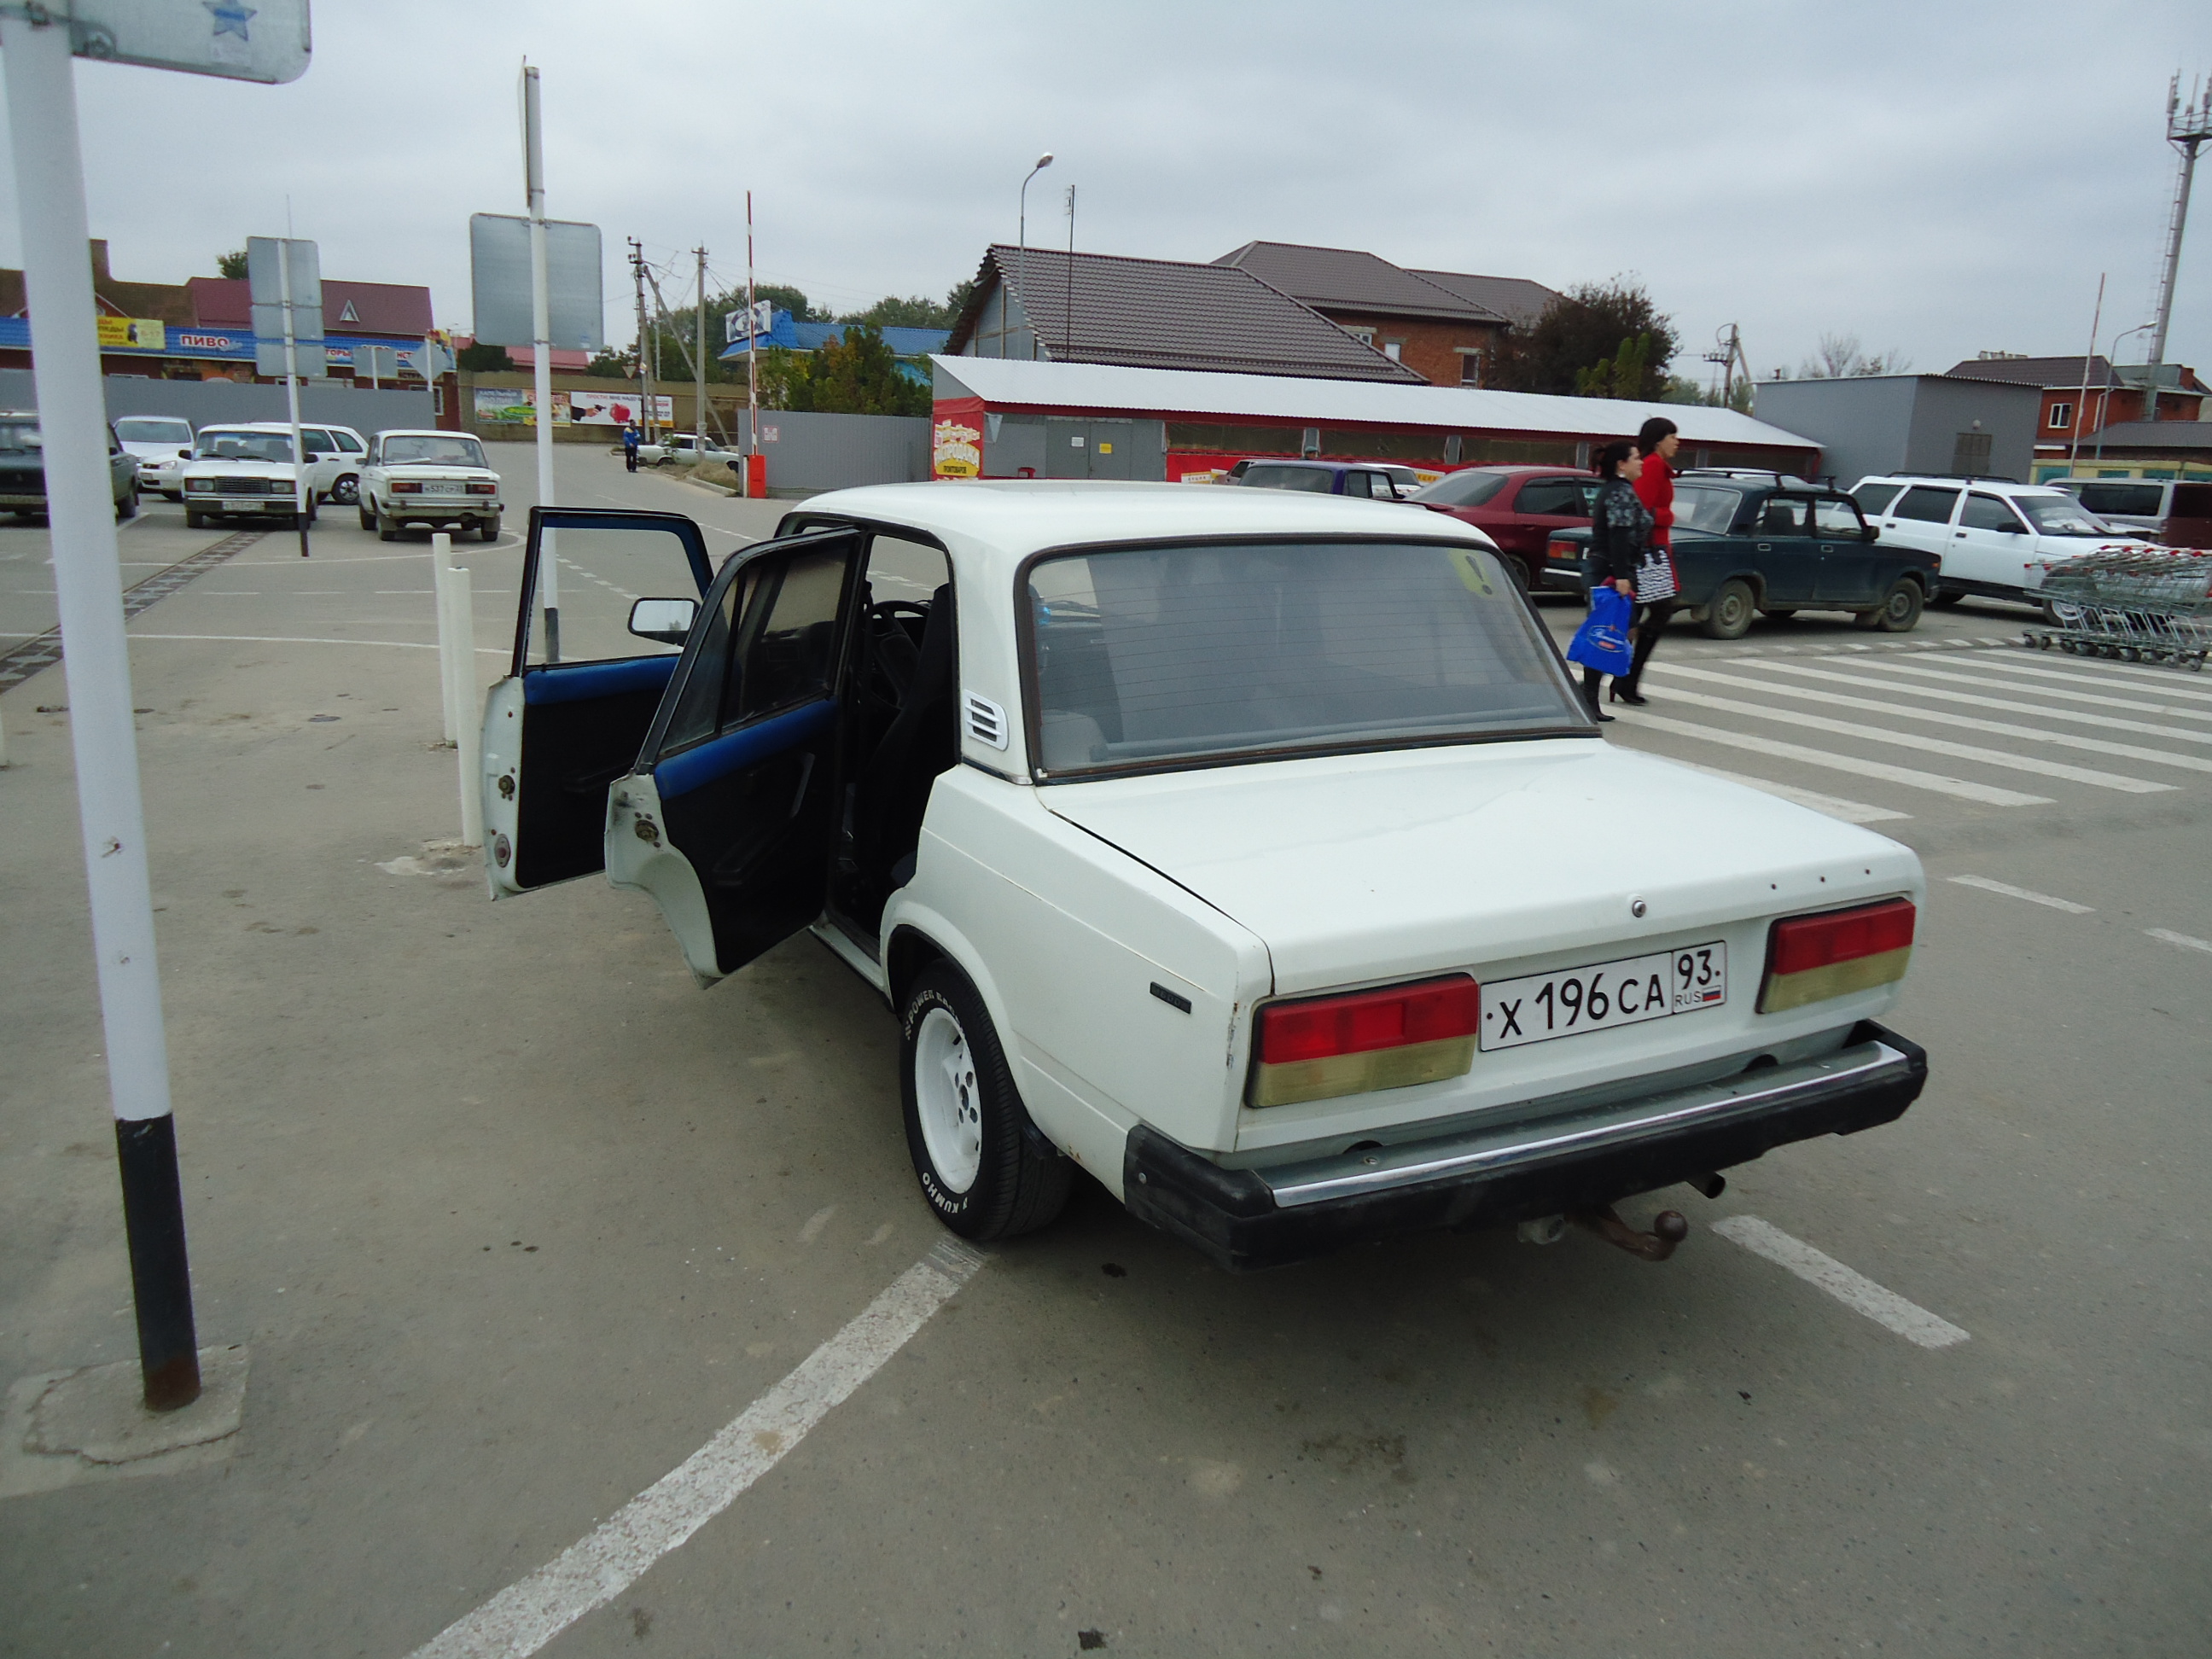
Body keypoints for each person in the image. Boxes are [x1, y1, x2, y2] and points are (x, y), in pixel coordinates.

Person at [1580, 440, 1653, 717]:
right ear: (1622, 464)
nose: (1641, 462)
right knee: (1606, 633)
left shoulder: (1618, 489)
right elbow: (1619, 535)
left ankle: (1593, 689)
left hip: (1613, 568)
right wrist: (1621, 576)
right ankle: (1588, 695)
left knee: (1619, 631)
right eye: (1636, 457)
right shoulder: (1620, 492)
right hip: (1609, 570)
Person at [1616, 416, 1682, 703]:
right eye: (1672, 436)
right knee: (1654, 613)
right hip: (1649, 553)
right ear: (1658, 440)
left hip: (1652, 551)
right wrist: (1668, 516)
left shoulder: (1656, 464)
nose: (1677, 442)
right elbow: (1642, 509)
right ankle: (1623, 679)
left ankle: (1622, 679)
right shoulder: (1653, 464)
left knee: (1640, 614)